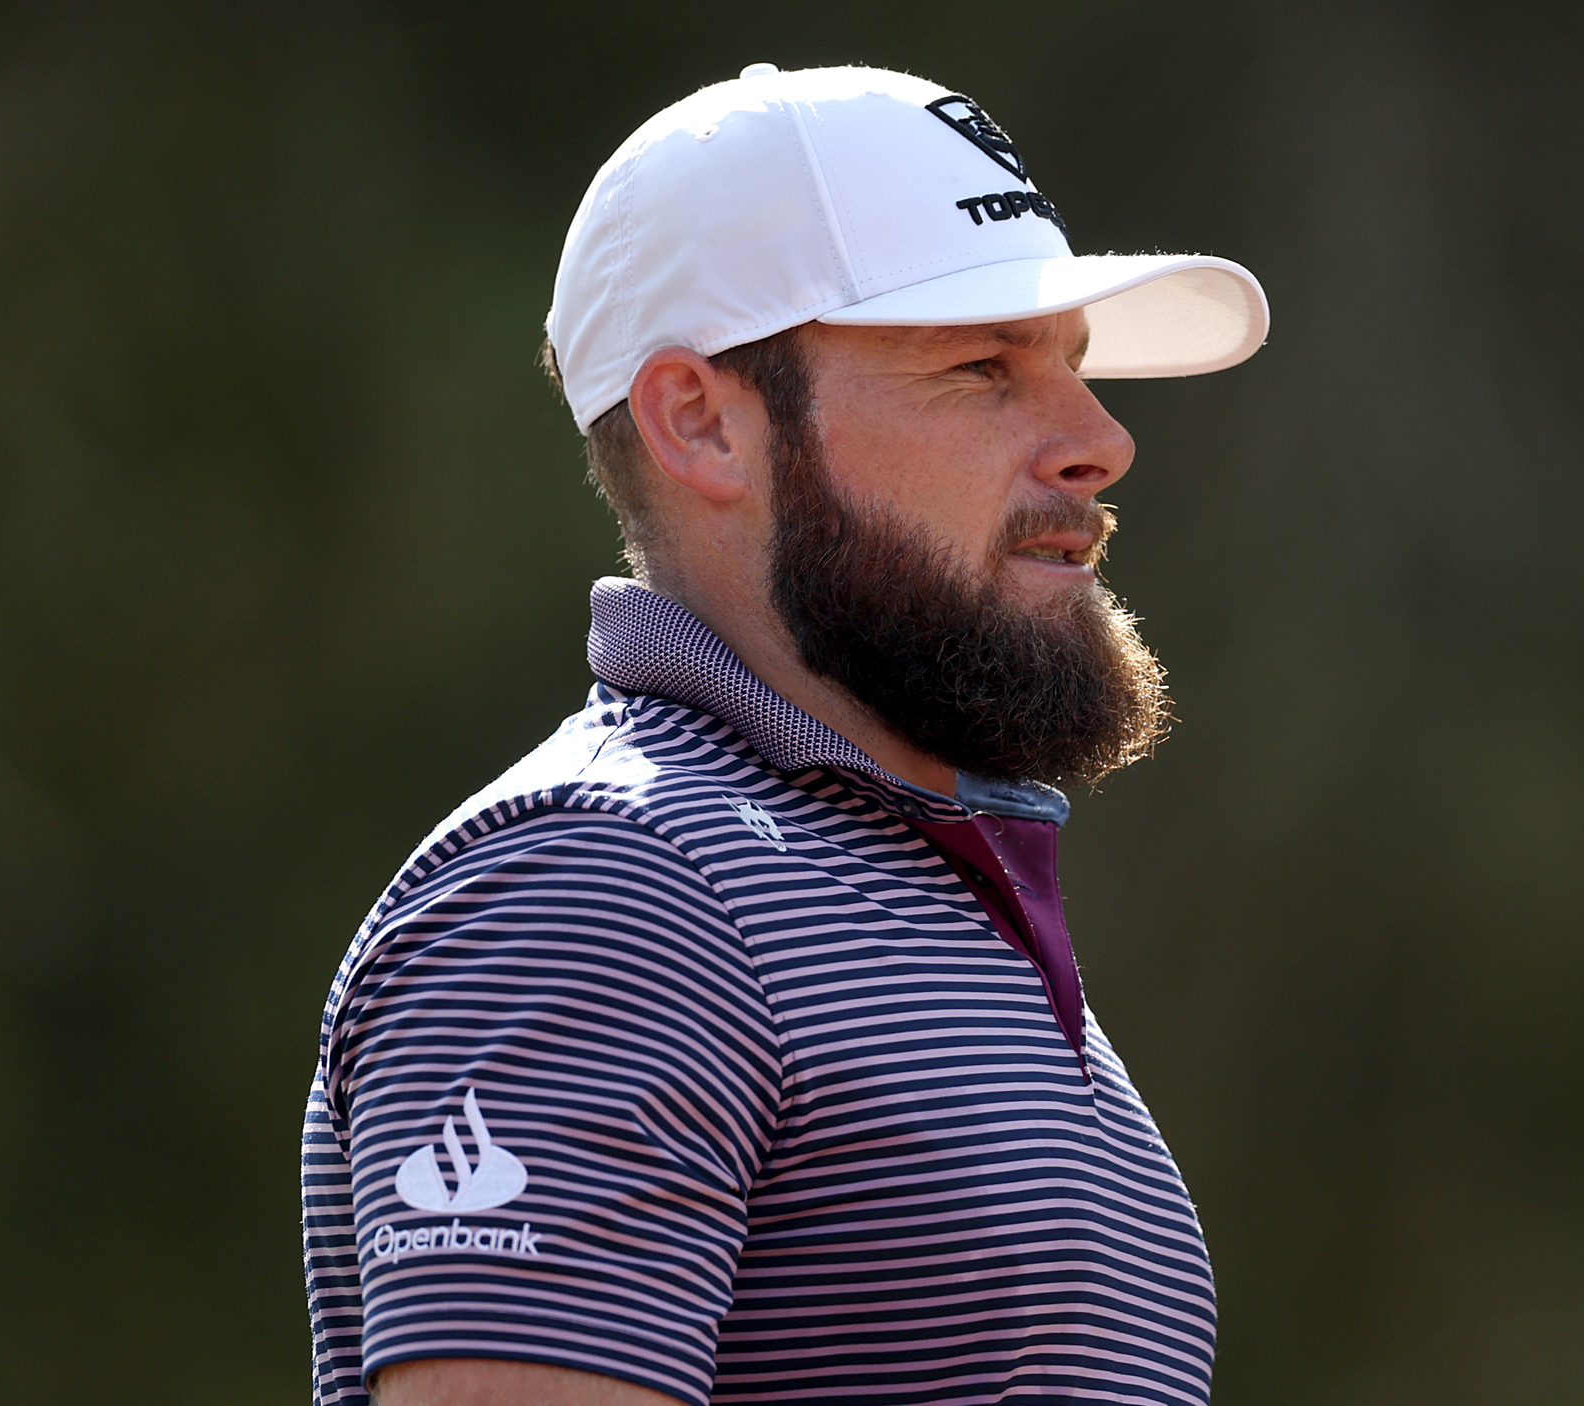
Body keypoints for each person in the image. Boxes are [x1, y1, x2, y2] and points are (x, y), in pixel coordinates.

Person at [300, 63, 1269, 1406]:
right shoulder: (604, 888)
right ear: (701, 422)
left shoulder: (889, 878)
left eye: (1074, 364)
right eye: (982, 366)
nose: (1098, 441)